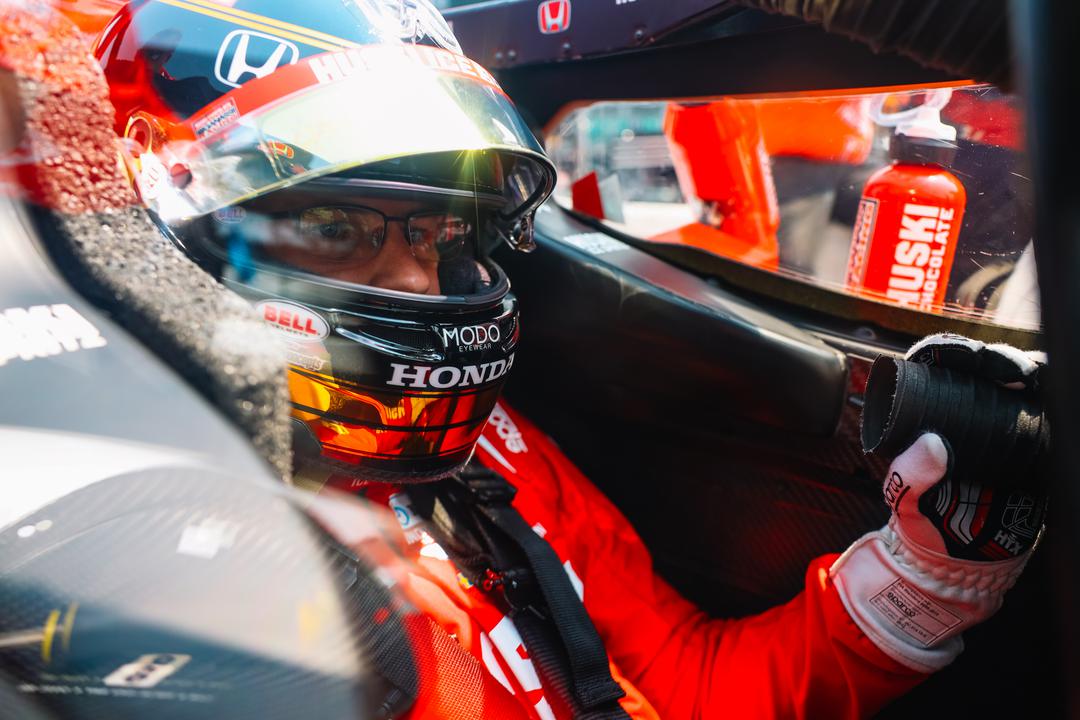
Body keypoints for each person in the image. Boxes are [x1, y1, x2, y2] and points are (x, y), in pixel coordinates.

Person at [90, 1, 1047, 717]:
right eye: (338, 226)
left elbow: (680, 677)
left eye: (437, 232)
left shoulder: (485, 451)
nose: (422, 289)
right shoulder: (126, 566)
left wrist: (925, 577)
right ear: (168, 237)